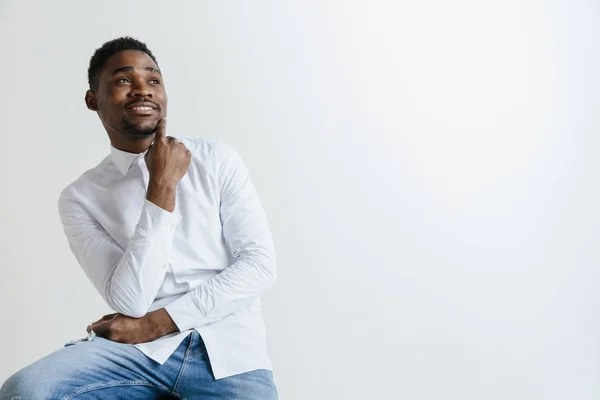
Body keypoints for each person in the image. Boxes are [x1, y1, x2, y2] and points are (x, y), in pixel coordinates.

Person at [0, 36, 278, 400]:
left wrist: (155, 323)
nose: (142, 90)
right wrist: (161, 185)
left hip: (227, 350)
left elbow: (260, 266)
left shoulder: (217, 160)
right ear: (92, 99)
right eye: (123, 80)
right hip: (136, 355)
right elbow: (130, 301)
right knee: (27, 391)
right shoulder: (80, 198)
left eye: (153, 80)